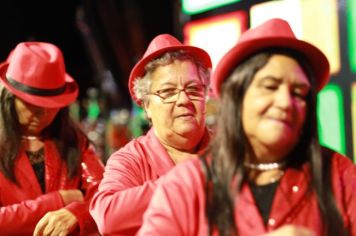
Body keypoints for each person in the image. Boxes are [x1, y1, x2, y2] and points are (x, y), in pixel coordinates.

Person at [137, 18, 356, 236]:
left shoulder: (339, 174)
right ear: (237, 96)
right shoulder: (188, 184)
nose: (285, 102)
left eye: (299, 92)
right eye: (270, 86)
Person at [89, 34, 212, 235]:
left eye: (193, 89)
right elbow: (108, 215)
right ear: (146, 106)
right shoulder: (130, 159)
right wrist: (192, 181)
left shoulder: (231, 146)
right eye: (168, 92)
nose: (183, 99)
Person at [0, 42, 104, 235]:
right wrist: (59, 201)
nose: (43, 114)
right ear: (9, 97)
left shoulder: (74, 141)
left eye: (51, 105)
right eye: (32, 104)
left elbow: (106, 197)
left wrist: (77, 213)